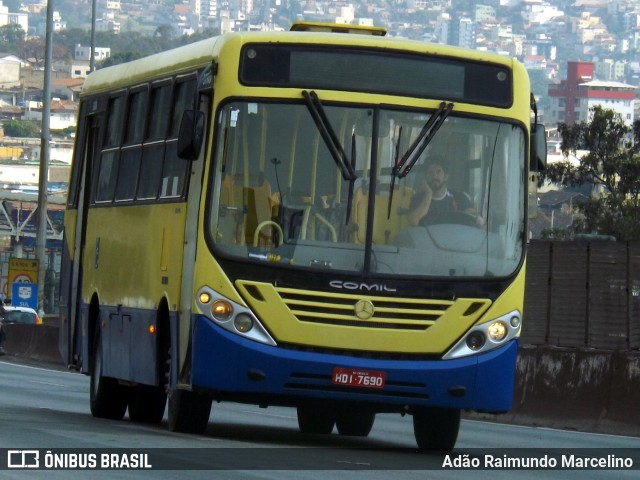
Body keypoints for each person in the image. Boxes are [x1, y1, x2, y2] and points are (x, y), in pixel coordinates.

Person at [407, 161, 483, 227]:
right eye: (430, 172)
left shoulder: (460, 197)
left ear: (445, 177)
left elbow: (475, 217)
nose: (434, 176)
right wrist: (428, 194)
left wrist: (476, 217)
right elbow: (414, 222)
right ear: (425, 178)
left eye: (438, 172)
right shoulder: (418, 198)